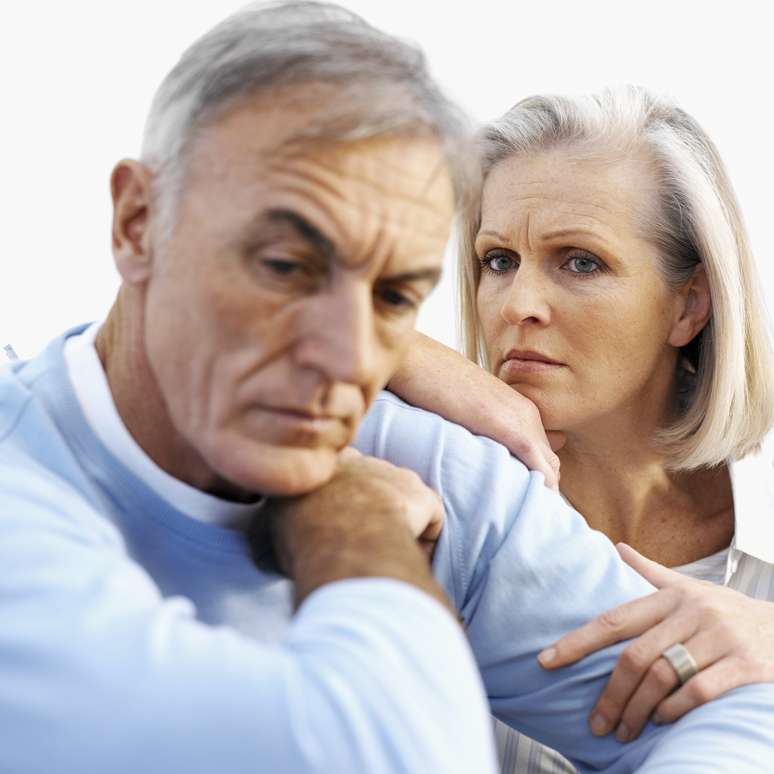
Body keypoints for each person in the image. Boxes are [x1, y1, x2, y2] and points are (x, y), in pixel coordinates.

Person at [2, 2, 774, 770]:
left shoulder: (427, 463)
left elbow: (745, 707)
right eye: (286, 268)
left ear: (691, 304)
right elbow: (380, 752)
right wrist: (355, 530)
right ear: (136, 223)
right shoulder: (34, 508)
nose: (350, 356)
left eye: (396, 298)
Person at [388, 85, 774, 772]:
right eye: (498, 261)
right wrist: (379, 343)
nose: (518, 305)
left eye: (580, 261)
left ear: (689, 305)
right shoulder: (419, 486)